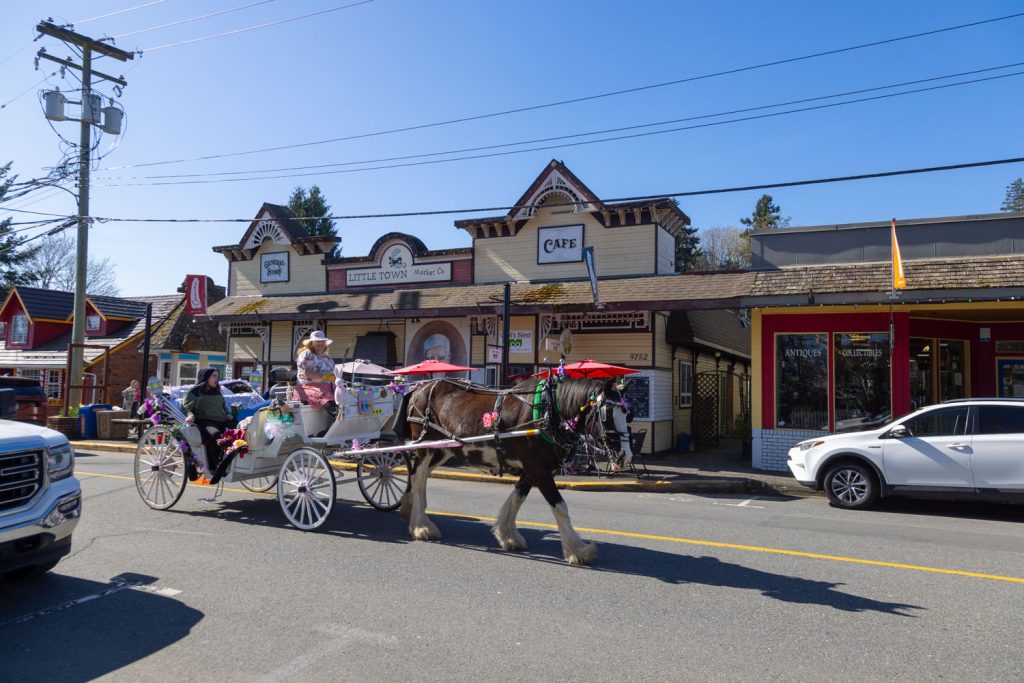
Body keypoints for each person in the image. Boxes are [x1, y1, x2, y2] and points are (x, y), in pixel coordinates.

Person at [183, 367, 237, 477]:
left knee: (238, 430)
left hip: (222, 420)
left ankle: (231, 460)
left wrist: (228, 414)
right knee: (216, 435)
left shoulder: (217, 391)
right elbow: (186, 407)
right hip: (206, 422)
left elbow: (224, 407)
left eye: (217, 376)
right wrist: (190, 415)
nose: (217, 379)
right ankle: (214, 466)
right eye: (214, 376)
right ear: (206, 377)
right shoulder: (194, 392)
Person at [292, 330, 339, 417]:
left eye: (322, 341)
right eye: (317, 341)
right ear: (311, 343)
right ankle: (337, 418)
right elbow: (306, 373)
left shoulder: (328, 358)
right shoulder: (307, 354)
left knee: (343, 397)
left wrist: (334, 378)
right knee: (329, 402)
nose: (320, 344)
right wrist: (324, 376)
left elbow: (333, 374)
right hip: (308, 387)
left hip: (328, 387)